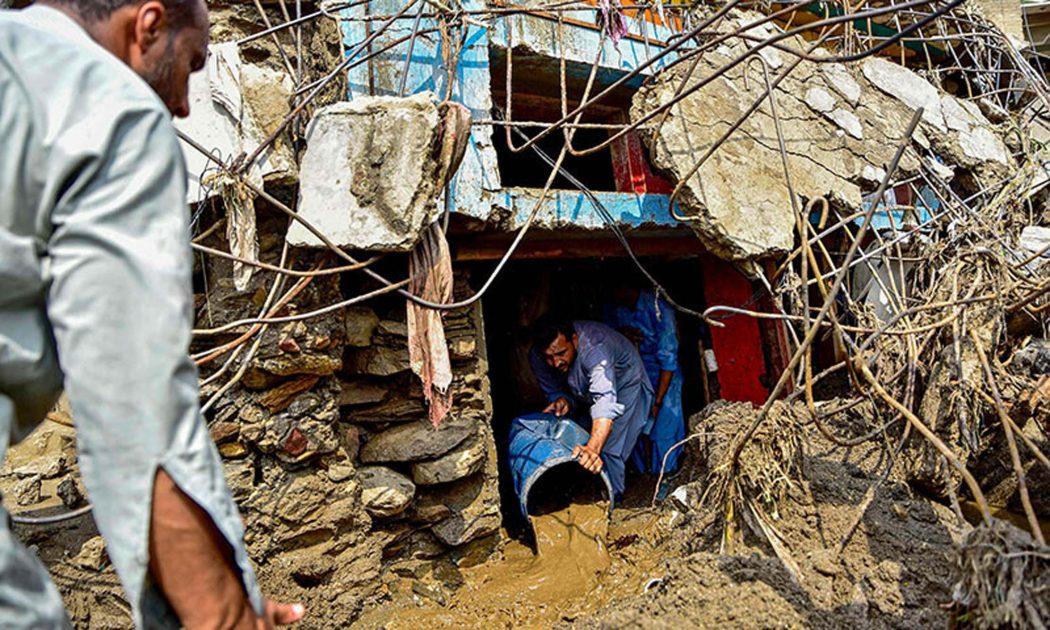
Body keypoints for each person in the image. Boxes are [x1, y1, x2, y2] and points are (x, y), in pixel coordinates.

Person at [0, 1, 302, 627]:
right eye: (191, 65)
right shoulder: (106, 105)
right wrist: (222, 613)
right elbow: (133, 403)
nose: (185, 106)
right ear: (148, 26)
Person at [527, 317, 653, 500]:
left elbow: (605, 402)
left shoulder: (595, 349)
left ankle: (612, 497)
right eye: (549, 357)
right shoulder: (537, 356)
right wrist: (562, 400)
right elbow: (554, 390)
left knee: (610, 446)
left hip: (623, 386)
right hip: (584, 393)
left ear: (574, 340)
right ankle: (584, 488)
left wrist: (592, 449)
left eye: (561, 353)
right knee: (577, 431)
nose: (555, 363)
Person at [608, 285, 686, 478]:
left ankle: (667, 474)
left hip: (664, 377)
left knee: (664, 427)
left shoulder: (660, 309)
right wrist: (622, 334)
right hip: (634, 374)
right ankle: (645, 475)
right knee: (637, 426)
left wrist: (658, 401)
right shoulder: (616, 309)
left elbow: (668, 360)